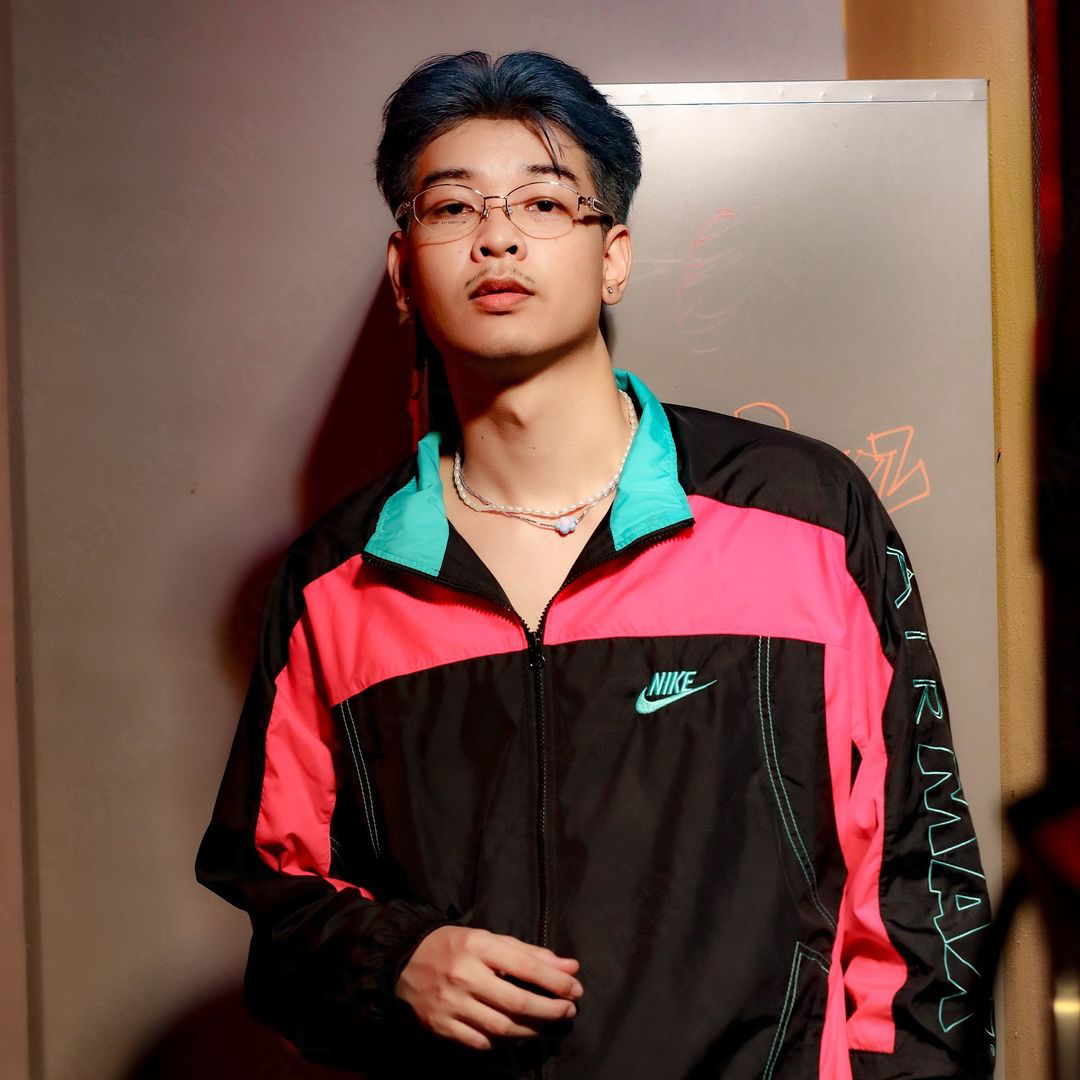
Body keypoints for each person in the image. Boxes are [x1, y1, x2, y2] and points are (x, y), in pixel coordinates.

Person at [195, 50, 996, 1080]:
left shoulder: (803, 517)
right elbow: (280, 918)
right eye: (452, 207)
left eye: (543, 202)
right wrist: (393, 960)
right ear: (402, 271)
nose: (496, 236)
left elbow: (918, 883)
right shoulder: (334, 585)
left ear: (614, 258)